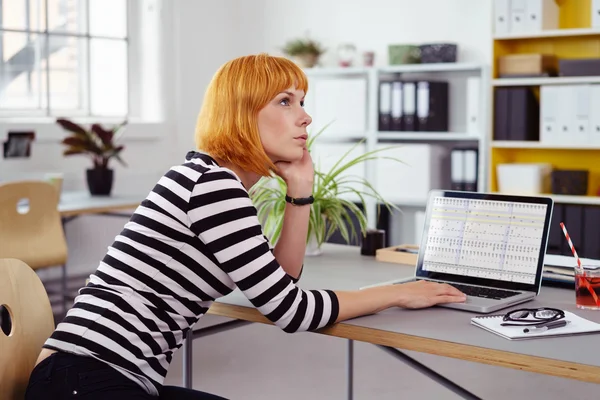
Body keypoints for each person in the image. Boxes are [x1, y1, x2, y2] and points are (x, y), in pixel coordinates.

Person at [25, 53, 466, 400]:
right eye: (285, 101)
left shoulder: (212, 179)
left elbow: (281, 280)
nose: (305, 117)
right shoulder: (213, 185)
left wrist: (300, 191)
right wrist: (399, 291)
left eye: (302, 102)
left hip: (101, 374)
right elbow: (291, 310)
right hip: (84, 378)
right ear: (242, 114)